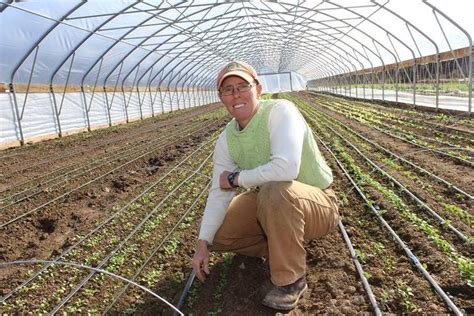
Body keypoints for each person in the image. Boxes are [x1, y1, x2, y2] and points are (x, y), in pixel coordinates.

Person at [191, 60, 340, 311]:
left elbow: (286, 169)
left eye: (242, 86)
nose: (236, 94)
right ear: (221, 97)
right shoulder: (227, 138)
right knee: (218, 232)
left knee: (274, 190)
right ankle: (283, 247)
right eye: (228, 89)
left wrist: (236, 178)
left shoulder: (281, 111)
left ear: (258, 89)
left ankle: (291, 281)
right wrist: (202, 242)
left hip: (317, 203)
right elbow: (219, 190)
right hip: (272, 201)